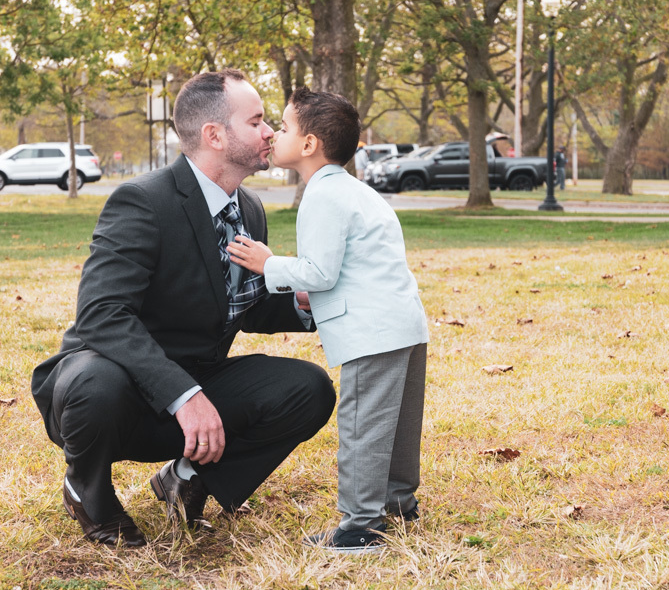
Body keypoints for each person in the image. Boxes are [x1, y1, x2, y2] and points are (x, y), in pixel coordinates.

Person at [30, 69, 335, 548]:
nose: (270, 131)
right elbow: (102, 313)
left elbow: (240, 307)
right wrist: (184, 395)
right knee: (96, 382)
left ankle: (188, 478)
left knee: (309, 389)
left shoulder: (249, 208)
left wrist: (301, 303)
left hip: (200, 389)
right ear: (214, 135)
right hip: (117, 392)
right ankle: (86, 489)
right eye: (256, 121)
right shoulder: (142, 201)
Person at [229, 87, 429, 554]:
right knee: (397, 423)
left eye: (283, 126)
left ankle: (360, 526)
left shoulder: (321, 197)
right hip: (403, 323)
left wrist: (268, 263)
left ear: (308, 145)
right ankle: (398, 502)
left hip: (370, 332)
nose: (274, 134)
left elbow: (320, 272)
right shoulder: (358, 192)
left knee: (362, 426)